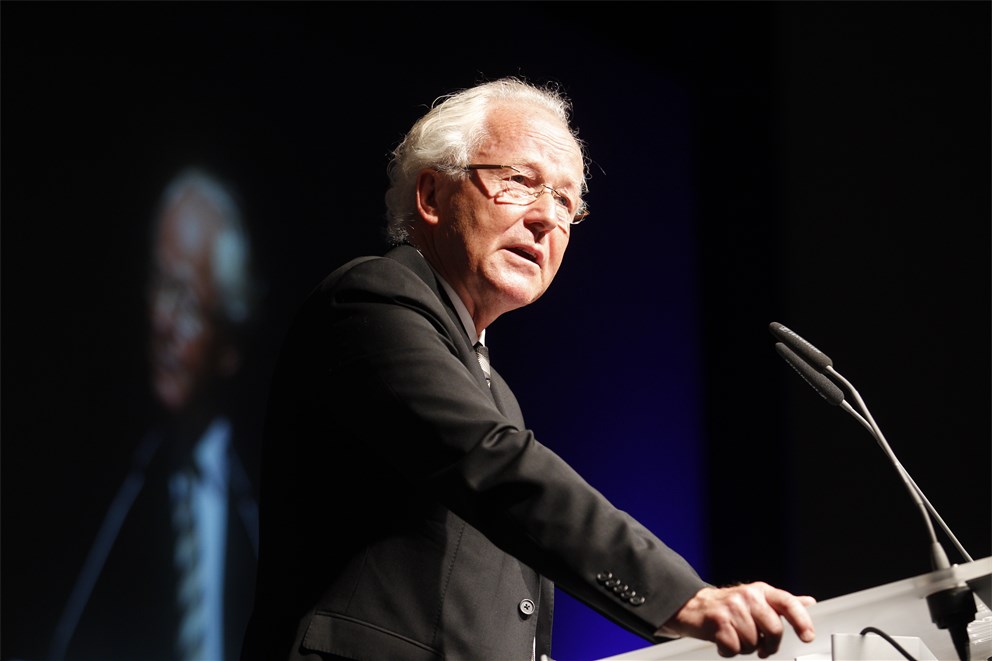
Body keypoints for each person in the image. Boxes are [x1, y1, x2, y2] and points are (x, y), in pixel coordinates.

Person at [241, 77, 816, 661]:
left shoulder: (498, 389)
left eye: (566, 201)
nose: (548, 218)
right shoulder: (370, 299)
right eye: (520, 182)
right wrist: (682, 598)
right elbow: (491, 465)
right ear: (431, 196)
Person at [50, 167, 261, 661]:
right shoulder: (105, 474)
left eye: (187, 302)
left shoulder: (260, 483)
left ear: (228, 340)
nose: (164, 321)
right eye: (160, 288)